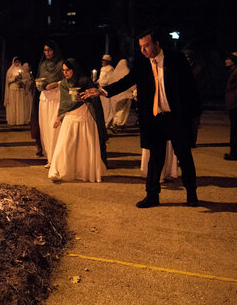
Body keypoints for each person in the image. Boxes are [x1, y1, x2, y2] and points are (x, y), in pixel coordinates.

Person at [83, 28, 201, 208]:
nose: (143, 50)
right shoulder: (142, 63)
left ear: (156, 44)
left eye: (146, 46)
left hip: (176, 117)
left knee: (184, 156)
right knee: (155, 158)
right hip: (154, 118)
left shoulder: (176, 59)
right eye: (140, 47)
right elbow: (126, 81)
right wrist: (102, 91)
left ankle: (192, 194)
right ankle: (152, 195)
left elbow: (190, 87)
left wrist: (193, 115)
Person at [48, 58, 107, 182]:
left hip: (84, 115)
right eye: (63, 70)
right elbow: (64, 102)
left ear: (74, 69)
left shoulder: (84, 80)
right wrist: (59, 117)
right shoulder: (64, 83)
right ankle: (62, 171)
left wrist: (85, 98)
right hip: (70, 116)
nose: (65, 73)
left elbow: (94, 97)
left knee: (84, 145)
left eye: (68, 70)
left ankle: (83, 172)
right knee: (65, 144)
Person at [36, 40, 64, 167]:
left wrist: (56, 84)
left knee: (55, 128)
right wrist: (38, 85)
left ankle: (58, 158)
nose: (47, 53)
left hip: (56, 98)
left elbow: (67, 80)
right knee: (45, 128)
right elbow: (38, 78)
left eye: (50, 50)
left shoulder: (61, 64)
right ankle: (50, 158)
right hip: (44, 99)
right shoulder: (42, 65)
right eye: (45, 50)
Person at [184, 50, 207, 145]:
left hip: (195, 98)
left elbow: (202, 84)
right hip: (185, 98)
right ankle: (186, 139)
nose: (187, 59)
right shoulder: (183, 68)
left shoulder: (198, 68)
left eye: (188, 57)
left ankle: (192, 140)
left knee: (194, 120)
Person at [109, 59, 135, 132]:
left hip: (116, 95)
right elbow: (130, 82)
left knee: (118, 109)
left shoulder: (115, 72)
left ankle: (115, 123)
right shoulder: (126, 71)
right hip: (125, 95)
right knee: (124, 110)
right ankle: (119, 124)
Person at [4, 56, 29, 125]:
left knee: (20, 105)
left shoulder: (23, 70)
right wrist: (14, 79)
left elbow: (26, 80)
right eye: (16, 62)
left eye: (18, 62)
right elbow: (8, 80)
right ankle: (13, 120)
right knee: (13, 105)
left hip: (20, 90)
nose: (17, 63)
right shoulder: (10, 71)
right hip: (13, 89)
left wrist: (22, 82)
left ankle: (20, 121)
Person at [97, 54, 115, 127]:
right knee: (103, 106)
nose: (102, 62)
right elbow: (101, 78)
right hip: (101, 88)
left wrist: (104, 84)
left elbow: (109, 79)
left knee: (107, 107)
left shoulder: (110, 69)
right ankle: (104, 121)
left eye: (104, 60)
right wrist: (97, 81)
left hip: (106, 89)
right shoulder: (102, 68)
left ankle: (107, 122)